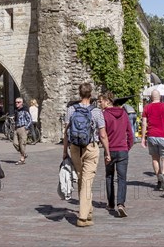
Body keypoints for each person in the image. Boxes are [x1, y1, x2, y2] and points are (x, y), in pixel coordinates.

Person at [63, 83, 110, 227]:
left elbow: (66, 132)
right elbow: (102, 135)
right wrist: (107, 152)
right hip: (90, 147)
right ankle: (82, 217)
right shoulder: (96, 111)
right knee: (87, 182)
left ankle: (88, 212)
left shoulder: (71, 109)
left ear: (79, 94)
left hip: (75, 147)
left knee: (82, 179)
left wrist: (65, 151)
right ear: (91, 95)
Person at [98, 92, 134, 217]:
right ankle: (121, 203)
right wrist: (127, 147)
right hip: (122, 149)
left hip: (110, 149)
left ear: (108, 101)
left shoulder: (104, 115)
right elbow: (130, 134)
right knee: (122, 178)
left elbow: (102, 134)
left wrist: (106, 149)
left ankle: (111, 203)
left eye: (101, 100)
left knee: (109, 176)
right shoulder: (123, 113)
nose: (100, 103)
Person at [13, 97, 32, 164]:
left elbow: (29, 119)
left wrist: (26, 128)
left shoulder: (25, 110)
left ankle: (22, 159)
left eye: (18, 102)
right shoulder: (16, 110)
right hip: (16, 128)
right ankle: (24, 154)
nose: (17, 103)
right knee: (15, 143)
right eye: (16, 102)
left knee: (22, 144)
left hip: (22, 128)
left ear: (22, 103)